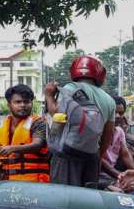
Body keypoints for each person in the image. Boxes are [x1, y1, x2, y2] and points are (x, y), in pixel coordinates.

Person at [44, 56, 116, 187]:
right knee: (87, 199)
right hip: (92, 155)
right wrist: (98, 156)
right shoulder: (109, 100)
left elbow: (56, 113)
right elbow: (108, 134)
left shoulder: (71, 88)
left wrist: (49, 95)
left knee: (63, 197)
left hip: (66, 154)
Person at [0, 84, 49, 185]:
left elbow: (37, 145)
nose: (23, 105)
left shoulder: (39, 123)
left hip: (32, 185)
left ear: (31, 103)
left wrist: (12, 148)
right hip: (3, 184)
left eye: (26, 102)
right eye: (18, 102)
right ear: (9, 105)